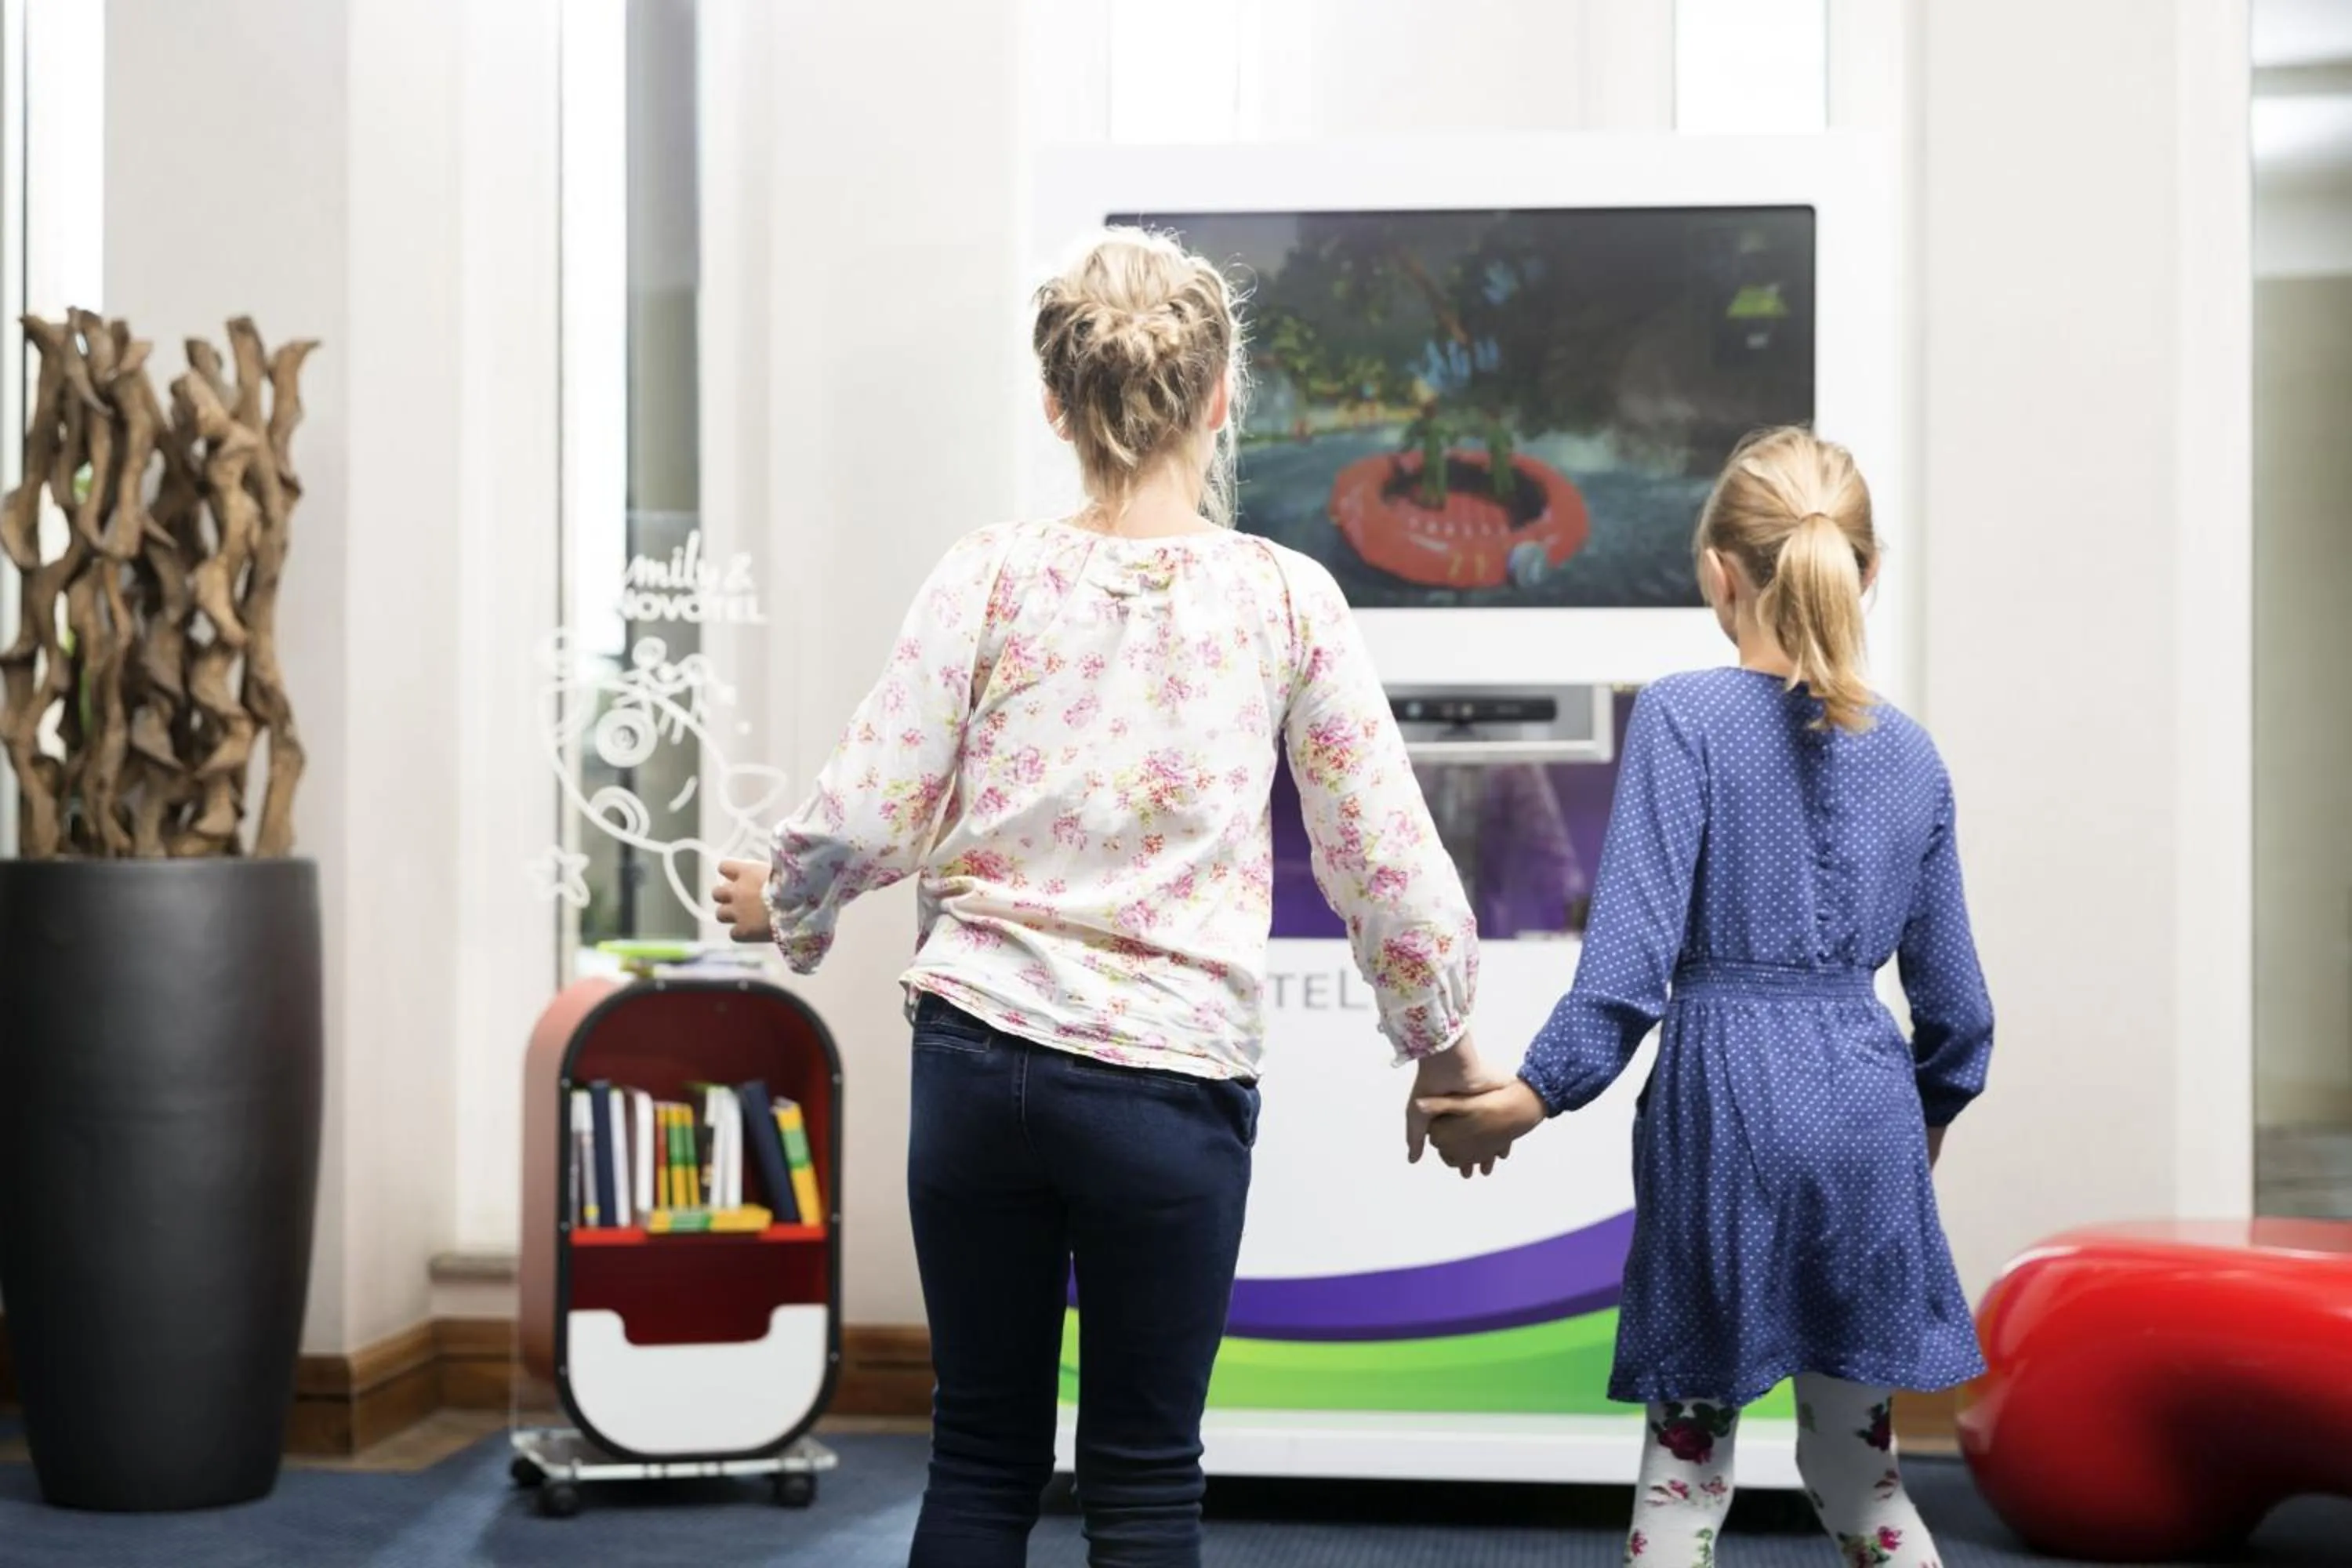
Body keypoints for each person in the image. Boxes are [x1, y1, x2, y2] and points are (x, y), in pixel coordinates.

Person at [711, 227, 1497, 1568]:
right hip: (1166, 1086)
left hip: (975, 1062)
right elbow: (1385, 863)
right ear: (1220, 397)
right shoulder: (1285, 600)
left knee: (977, 1456)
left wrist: (786, 897)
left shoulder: (989, 572)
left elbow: (871, 803)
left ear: (1057, 405)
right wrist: (1447, 1050)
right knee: (1141, 1485)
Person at [1421, 427, 1993, 1568]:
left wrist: (1527, 1099)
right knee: (1857, 1463)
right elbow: (1959, 1007)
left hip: (1726, 1113)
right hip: (1867, 1119)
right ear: (1866, 571)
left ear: (1717, 572)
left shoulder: (1684, 717)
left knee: (1690, 1460)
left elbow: (1626, 973)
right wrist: (1922, 1121)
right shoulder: (1915, 757)